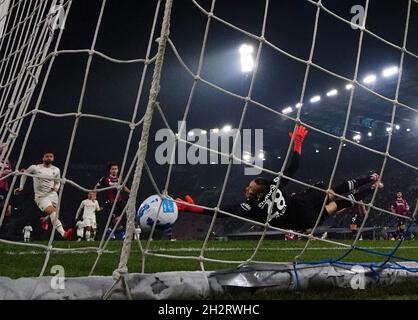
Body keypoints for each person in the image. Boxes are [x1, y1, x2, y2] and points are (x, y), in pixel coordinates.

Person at [175, 125, 384, 232]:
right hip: (302, 216)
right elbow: (222, 212)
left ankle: (371, 180)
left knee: (333, 193)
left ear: (261, 188)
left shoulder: (266, 192)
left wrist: (298, 143)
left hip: (302, 206)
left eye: (250, 186)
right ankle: (373, 186)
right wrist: (195, 208)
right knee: (338, 202)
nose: (247, 189)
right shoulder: (252, 206)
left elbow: (292, 167)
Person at [14, 151, 73, 239]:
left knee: (55, 215)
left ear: (53, 159)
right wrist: (21, 187)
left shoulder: (56, 170)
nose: (49, 158)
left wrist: (56, 187)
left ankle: (44, 220)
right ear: (43, 158)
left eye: (51, 156)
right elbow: (24, 175)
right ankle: (64, 233)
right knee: (53, 213)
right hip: (41, 196)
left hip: (53, 195)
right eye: (47, 156)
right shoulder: (35, 168)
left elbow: (57, 182)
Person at [95, 163, 130, 239]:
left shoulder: (119, 179)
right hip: (110, 201)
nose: (114, 170)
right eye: (113, 169)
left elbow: (124, 187)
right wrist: (94, 194)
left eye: (116, 169)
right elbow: (97, 186)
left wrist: (131, 192)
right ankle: (116, 231)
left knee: (120, 217)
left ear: (118, 170)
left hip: (119, 201)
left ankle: (112, 229)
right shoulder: (105, 179)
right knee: (115, 217)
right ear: (110, 170)